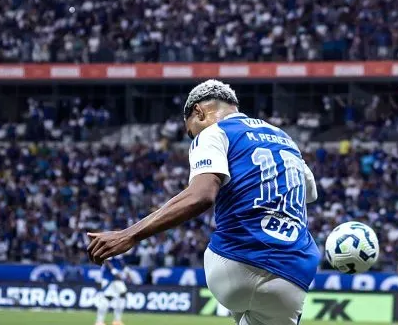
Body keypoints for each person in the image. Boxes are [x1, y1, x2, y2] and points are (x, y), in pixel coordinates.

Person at [87, 80, 321, 325]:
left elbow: (201, 196)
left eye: (191, 132)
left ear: (199, 111)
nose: (193, 138)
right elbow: (310, 192)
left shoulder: (214, 132)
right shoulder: (284, 138)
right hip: (294, 270)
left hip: (236, 260)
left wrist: (130, 234)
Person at [94, 259, 131, 325]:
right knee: (107, 298)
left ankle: (117, 321)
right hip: (109, 278)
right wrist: (114, 271)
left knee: (123, 294)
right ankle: (99, 321)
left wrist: (126, 271)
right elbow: (106, 260)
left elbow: (121, 260)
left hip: (117, 279)